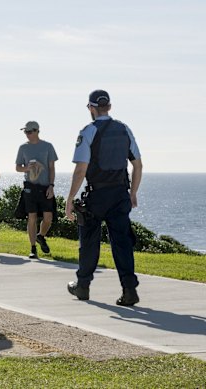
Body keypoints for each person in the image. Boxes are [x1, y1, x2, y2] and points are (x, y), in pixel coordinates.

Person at [65, 89, 143, 306]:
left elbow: (81, 169)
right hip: (120, 195)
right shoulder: (124, 129)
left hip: (97, 195)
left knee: (89, 241)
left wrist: (70, 198)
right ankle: (129, 290)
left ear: (91, 108)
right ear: (109, 107)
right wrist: (133, 192)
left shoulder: (88, 131)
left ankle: (83, 286)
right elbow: (137, 164)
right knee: (122, 242)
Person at [15, 121, 58, 259]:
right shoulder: (23, 148)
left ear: (36, 131)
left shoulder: (48, 146)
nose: (27, 134)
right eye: (25, 132)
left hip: (45, 187)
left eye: (29, 132)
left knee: (48, 218)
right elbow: (17, 167)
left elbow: (51, 168)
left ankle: (41, 236)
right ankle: (33, 248)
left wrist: (51, 185)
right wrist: (27, 168)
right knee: (32, 217)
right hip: (30, 187)